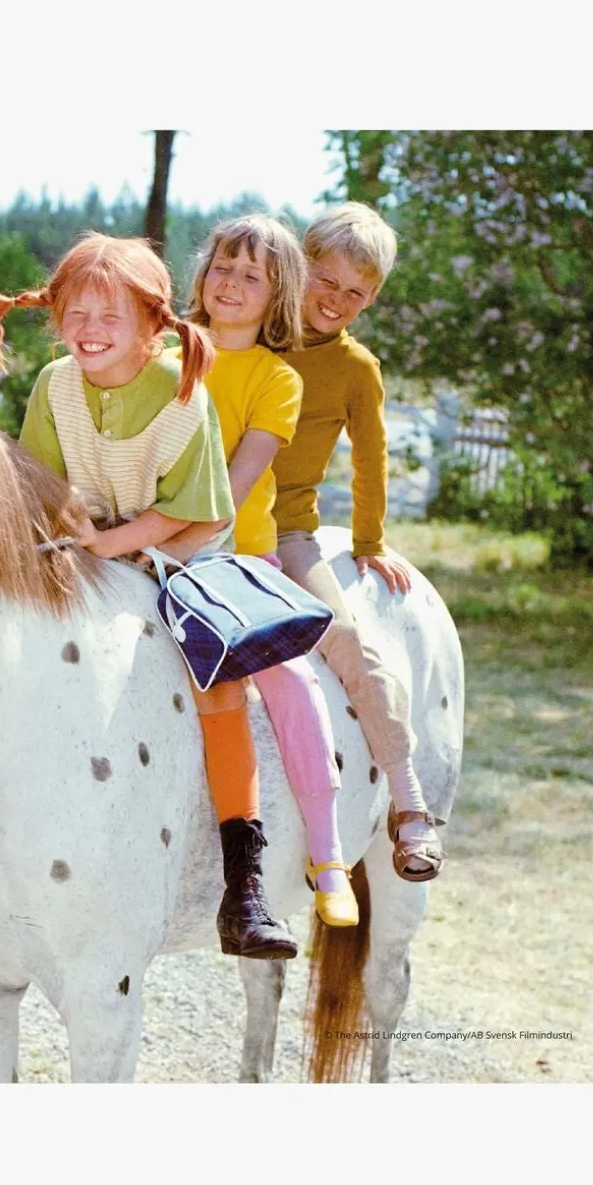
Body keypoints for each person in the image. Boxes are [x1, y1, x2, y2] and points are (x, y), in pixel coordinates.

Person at [0, 232, 297, 958]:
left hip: (183, 548)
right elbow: (43, 483)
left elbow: (189, 511)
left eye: (109, 316)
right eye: (76, 314)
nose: (89, 330)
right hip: (91, 541)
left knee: (218, 683)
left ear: (152, 325)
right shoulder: (55, 386)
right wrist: (69, 528)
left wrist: (110, 544)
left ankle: (244, 879)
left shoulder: (183, 392)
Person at [187, 213, 358, 930]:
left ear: (277, 294)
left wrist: (161, 541)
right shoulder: (163, 353)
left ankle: (327, 852)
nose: (230, 283)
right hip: (145, 549)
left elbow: (228, 492)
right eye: (222, 267)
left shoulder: (276, 379)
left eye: (250, 276)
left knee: (290, 678)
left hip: (233, 562)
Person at [271, 200, 445, 880]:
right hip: (200, 520)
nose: (337, 300)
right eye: (327, 280)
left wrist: (368, 541)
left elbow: (371, 460)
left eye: (356, 293)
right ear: (300, 264)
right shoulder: (249, 330)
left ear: (372, 299)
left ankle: (408, 799)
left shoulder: (356, 368)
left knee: (346, 641)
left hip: (286, 531)